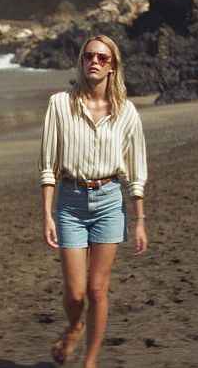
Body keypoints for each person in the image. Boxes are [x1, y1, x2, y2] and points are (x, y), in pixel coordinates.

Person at [38, 34, 149, 367]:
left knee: (97, 289)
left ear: (113, 66)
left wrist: (140, 220)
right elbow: (48, 166)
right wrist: (47, 214)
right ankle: (75, 326)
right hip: (70, 202)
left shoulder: (126, 112)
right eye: (89, 56)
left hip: (109, 201)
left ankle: (90, 361)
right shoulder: (60, 104)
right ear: (81, 61)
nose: (94, 62)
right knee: (75, 293)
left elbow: (136, 170)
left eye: (102, 58)